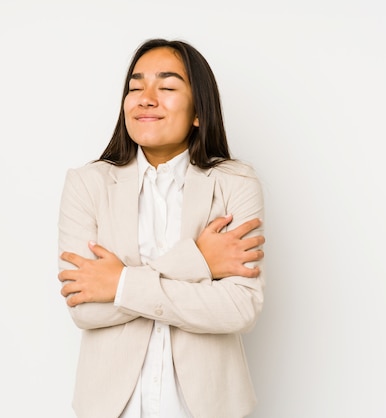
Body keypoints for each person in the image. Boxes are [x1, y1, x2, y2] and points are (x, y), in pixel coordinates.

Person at [57, 38, 266, 418]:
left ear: (199, 111)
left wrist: (118, 284)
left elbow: (239, 307)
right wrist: (198, 261)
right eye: (135, 87)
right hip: (110, 407)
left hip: (208, 407)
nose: (145, 98)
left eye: (167, 87)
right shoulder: (87, 183)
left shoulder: (236, 182)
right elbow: (85, 309)